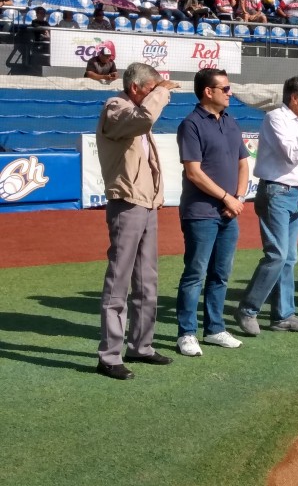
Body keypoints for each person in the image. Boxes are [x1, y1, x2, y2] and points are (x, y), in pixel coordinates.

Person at [95, 63, 180, 380]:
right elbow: (144, 117)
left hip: (145, 204)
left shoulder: (134, 113)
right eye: (151, 88)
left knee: (147, 281)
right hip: (127, 203)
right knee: (118, 282)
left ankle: (141, 345)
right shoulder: (116, 108)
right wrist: (159, 93)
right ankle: (109, 355)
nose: (159, 94)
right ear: (135, 88)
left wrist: (156, 198)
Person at [235, 77, 298, 335]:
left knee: (289, 257)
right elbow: (291, 153)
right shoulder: (276, 118)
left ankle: (283, 315)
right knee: (277, 255)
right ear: (294, 98)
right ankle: (248, 309)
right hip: (277, 193)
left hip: (294, 193)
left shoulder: (297, 122)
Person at [174, 69, 249, 357]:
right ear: (209, 91)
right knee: (195, 273)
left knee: (220, 273)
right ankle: (187, 333)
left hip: (229, 212)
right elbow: (193, 172)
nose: (230, 92)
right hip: (201, 212)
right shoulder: (191, 124)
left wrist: (238, 198)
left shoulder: (230, 122)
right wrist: (227, 198)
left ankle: (215, 328)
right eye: (225, 88)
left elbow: (244, 162)